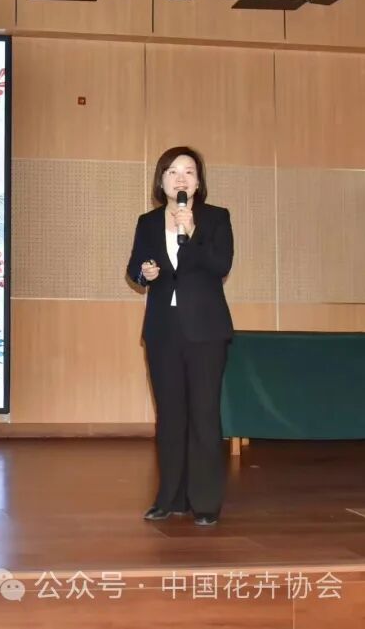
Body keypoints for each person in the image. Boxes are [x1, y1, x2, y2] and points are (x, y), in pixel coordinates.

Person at [126, 146, 234, 527]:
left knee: (204, 414)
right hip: (163, 330)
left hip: (206, 330)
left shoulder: (216, 218)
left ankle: (205, 502)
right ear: (162, 180)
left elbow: (221, 265)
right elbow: (134, 269)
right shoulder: (148, 222)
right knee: (170, 416)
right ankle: (170, 497)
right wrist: (145, 274)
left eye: (189, 171)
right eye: (173, 171)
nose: (181, 178)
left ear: (198, 182)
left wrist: (193, 232)